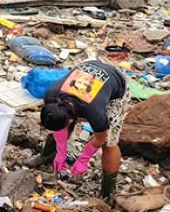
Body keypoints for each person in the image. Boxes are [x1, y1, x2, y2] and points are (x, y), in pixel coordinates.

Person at [38, 60, 131, 200]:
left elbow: (101, 138)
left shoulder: (94, 112)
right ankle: (49, 155)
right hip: (89, 69)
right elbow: (59, 126)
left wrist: (84, 158)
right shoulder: (51, 96)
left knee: (109, 143)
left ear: (71, 120)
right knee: (59, 124)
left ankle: (108, 192)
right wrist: (61, 151)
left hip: (116, 86)